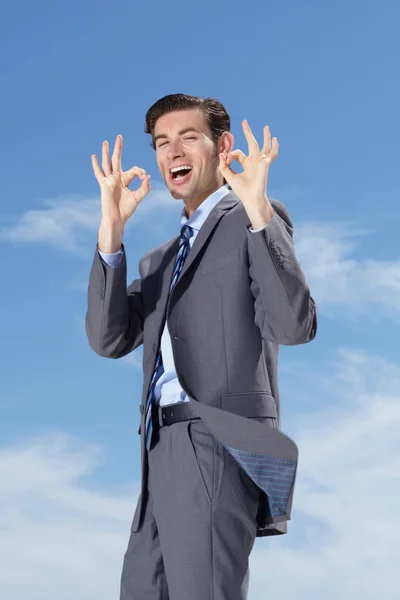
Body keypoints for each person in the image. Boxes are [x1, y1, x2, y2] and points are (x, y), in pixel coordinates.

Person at [86, 93, 317, 600]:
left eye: (188, 137)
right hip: (157, 451)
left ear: (222, 146)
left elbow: (294, 325)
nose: (173, 152)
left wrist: (257, 208)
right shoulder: (157, 261)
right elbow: (108, 340)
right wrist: (111, 232)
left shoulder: (253, 219)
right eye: (162, 143)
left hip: (217, 437)